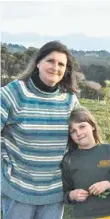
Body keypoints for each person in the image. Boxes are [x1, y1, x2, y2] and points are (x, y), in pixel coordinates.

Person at [1, 41, 79, 219]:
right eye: (50, 61)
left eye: (61, 64)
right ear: (38, 63)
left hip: (53, 190)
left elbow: (80, 137)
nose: (55, 67)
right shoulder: (14, 93)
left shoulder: (69, 100)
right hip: (18, 187)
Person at [61, 107, 110, 219]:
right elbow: (65, 192)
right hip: (83, 215)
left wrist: (108, 184)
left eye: (82, 126)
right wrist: (72, 195)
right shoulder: (68, 159)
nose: (78, 133)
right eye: (73, 131)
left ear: (93, 126)